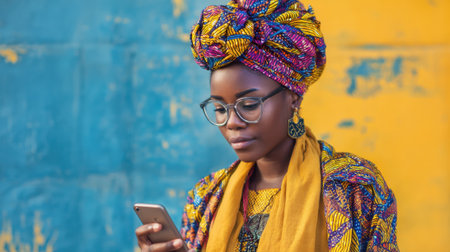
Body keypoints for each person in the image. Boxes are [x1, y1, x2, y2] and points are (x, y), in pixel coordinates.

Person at [135, 0, 398, 251]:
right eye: (219, 109)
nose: (232, 123)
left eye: (248, 105)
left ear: (293, 98)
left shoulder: (354, 188)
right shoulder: (205, 199)